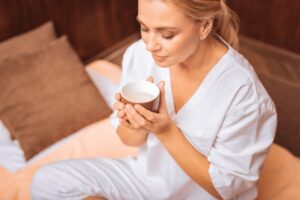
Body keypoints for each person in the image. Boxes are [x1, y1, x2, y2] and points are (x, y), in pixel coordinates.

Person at [31, 0, 277, 199]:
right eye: (144, 28)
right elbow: (129, 141)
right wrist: (133, 123)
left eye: (166, 34)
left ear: (204, 26)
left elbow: (226, 188)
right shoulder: (140, 55)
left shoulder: (244, 95)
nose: (150, 45)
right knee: (48, 181)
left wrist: (166, 130)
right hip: (147, 181)